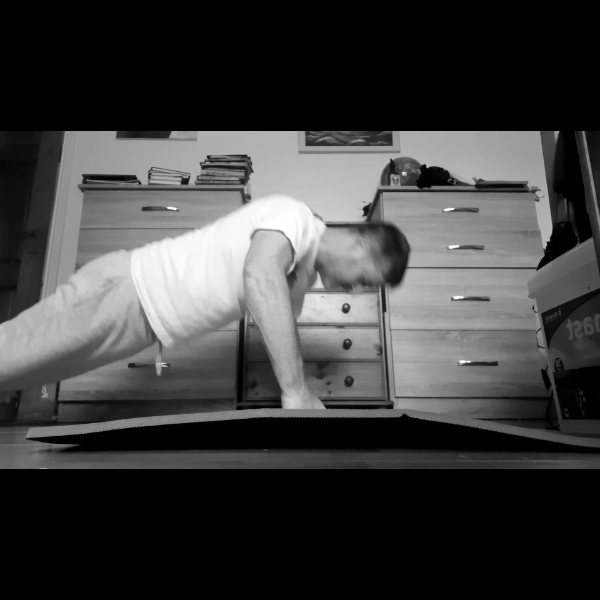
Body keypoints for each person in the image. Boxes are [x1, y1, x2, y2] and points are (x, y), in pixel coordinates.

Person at [0, 195, 410, 410]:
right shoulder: (296, 217)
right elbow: (258, 274)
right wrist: (296, 391)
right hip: (128, 292)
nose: (353, 291)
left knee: (19, 369)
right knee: (9, 357)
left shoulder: (302, 268)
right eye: (364, 280)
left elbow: (280, 329)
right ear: (360, 245)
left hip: (140, 317)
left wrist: (305, 396)